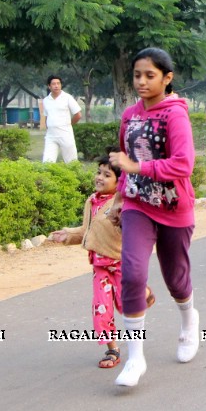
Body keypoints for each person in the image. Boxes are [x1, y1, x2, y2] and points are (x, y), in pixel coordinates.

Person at [107, 47, 198, 387]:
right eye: (137, 75)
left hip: (174, 207)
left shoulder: (175, 115)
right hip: (137, 205)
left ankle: (189, 320)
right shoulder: (129, 115)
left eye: (150, 75)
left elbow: (183, 164)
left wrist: (138, 167)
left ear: (167, 78)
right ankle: (135, 358)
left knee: (176, 279)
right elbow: (125, 160)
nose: (142, 82)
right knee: (131, 274)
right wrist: (118, 197)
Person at [50, 156, 154, 369]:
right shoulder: (91, 201)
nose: (100, 177)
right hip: (99, 268)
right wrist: (67, 235)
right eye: (99, 172)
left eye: (107, 175)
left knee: (127, 307)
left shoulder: (122, 203)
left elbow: (135, 231)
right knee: (101, 309)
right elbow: (88, 230)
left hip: (120, 264)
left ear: (119, 181)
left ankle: (143, 292)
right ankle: (112, 349)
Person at [40, 75, 82, 163]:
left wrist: (68, 124)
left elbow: (78, 115)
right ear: (49, 86)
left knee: (71, 162)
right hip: (51, 135)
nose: (56, 86)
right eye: (54, 84)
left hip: (65, 133)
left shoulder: (67, 97)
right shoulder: (46, 100)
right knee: (47, 162)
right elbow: (47, 117)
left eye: (58, 83)